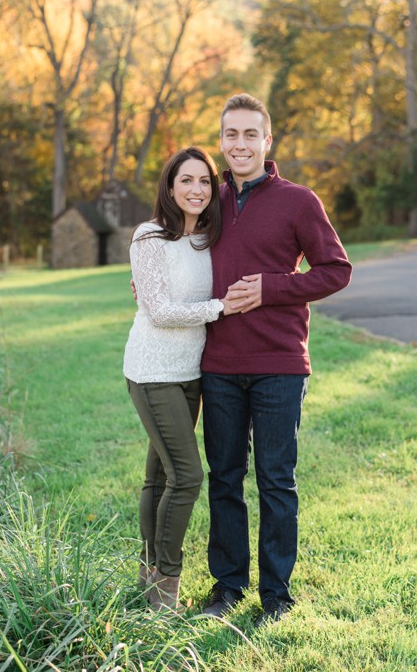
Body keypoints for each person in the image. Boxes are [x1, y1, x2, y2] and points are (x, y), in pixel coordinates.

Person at [198, 94, 352, 628]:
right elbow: (172, 252)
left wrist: (270, 288)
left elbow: (336, 270)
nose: (240, 144)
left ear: (268, 142)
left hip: (280, 364)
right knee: (224, 476)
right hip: (216, 363)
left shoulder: (299, 201)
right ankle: (228, 586)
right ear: (221, 141)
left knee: (276, 479)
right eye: (231, 134)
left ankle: (277, 594)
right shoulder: (207, 201)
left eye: (250, 135)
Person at [123, 146, 239, 611]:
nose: (196, 190)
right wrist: (220, 308)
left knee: (159, 477)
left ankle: (147, 575)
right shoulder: (149, 236)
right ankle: (166, 586)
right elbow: (159, 310)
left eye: (205, 182)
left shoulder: (210, 237)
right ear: (170, 187)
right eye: (186, 180)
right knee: (187, 477)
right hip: (153, 371)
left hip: (192, 372)